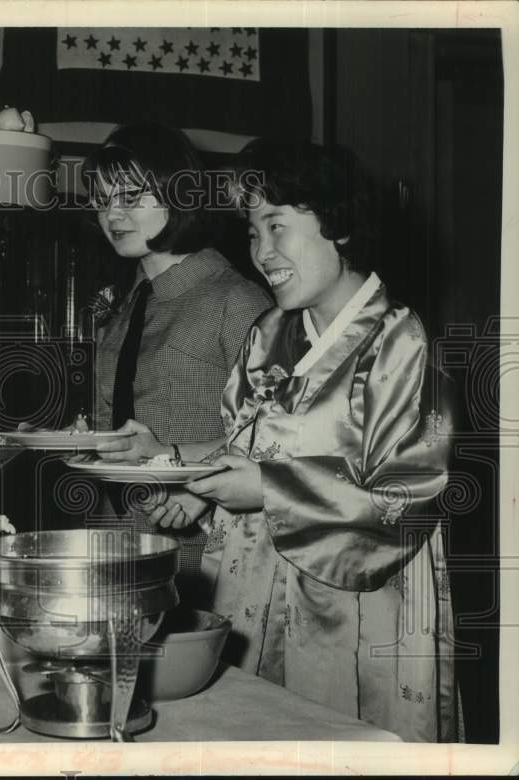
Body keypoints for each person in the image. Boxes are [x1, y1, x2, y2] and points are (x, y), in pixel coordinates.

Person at [149, 140, 457, 742]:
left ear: (337, 225)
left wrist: (267, 488)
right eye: (251, 231)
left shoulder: (402, 342)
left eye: (277, 226)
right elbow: (247, 444)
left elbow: (406, 500)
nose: (262, 252)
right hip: (254, 584)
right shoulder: (267, 332)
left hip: (356, 602)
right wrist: (202, 493)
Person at [84, 122, 271, 568]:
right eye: (102, 202)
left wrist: (204, 489)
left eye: (130, 198)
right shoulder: (127, 304)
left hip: (197, 547)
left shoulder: (238, 299)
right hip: (112, 532)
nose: (112, 217)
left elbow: (280, 435)